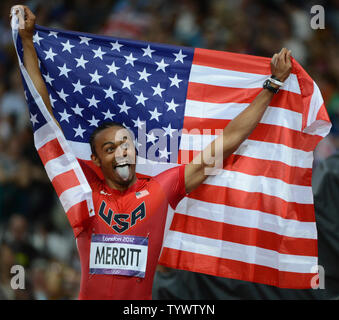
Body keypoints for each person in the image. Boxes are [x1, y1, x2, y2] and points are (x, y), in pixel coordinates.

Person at [14, 5, 292, 300]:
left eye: (125, 144)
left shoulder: (162, 188)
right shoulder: (83, 189)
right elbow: (46, 115)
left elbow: (226, 142)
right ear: (95, 160)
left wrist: (271, 86)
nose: (121, 152)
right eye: (110, 149)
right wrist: (28, 42)